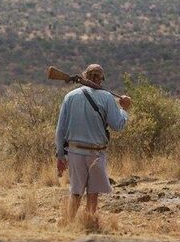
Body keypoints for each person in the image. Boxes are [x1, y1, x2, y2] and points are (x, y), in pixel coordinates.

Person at [55, 64, 131, 223]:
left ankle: (69, 224)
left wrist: (60, 155)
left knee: (75, 192)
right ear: (101, 78)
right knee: (93, 192)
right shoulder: (107, 97)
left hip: (74, 152)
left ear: (85, 76)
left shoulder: (70, 96)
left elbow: (60, 129)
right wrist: (124, 109)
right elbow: (118, 125)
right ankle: (88, 225)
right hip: (96, 153)